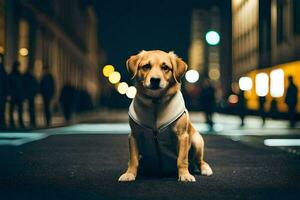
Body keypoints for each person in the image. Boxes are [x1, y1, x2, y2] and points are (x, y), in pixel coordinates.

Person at [8, 61, 25, 129]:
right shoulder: (13, 75)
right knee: (12, 110)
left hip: (18, 95)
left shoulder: (18, 74)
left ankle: (19, 122)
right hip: (14, 95)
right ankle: (13, 123)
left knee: (19, 110)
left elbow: (22, 85)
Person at [0, 53, 7, 130]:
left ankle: (2, 122)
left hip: (2, 94)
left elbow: (5, 83)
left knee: (2, 109)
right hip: (2, 93)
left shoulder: (2, 70)